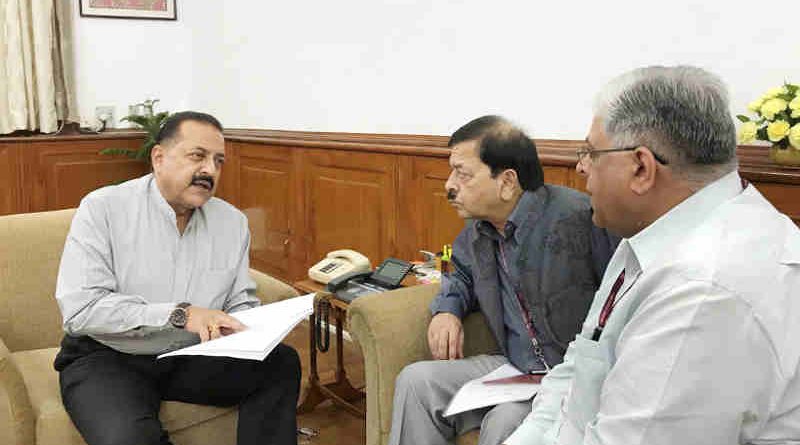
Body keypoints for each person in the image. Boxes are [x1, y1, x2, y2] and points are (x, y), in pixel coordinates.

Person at [504, 66, 800, 445]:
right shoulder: (651, 233)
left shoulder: (704, 289)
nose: (580, 166)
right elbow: (581, 363)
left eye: (591, 152)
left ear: (641, 168)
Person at [54, 111, 301, 445]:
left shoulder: (232, 223)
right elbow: (83, 310)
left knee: (280, 362)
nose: (209, 171)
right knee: (130, 438)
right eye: (197, 156)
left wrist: (248, 325)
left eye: (218, 161)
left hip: (191, 354)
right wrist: (181, 314)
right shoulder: (103, 209)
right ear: (159, 157)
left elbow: (239, 299)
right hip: (108, 354)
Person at [388, 115, 619, 445]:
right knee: (416, 381)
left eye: (463, 174)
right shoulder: (478, 231)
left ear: (507, 182)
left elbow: (620, 298)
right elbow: (459, 271)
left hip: (570, 376)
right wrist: (447, 309)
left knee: (503, 422)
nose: (449, 185)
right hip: (514, 366)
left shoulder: (581, 218)